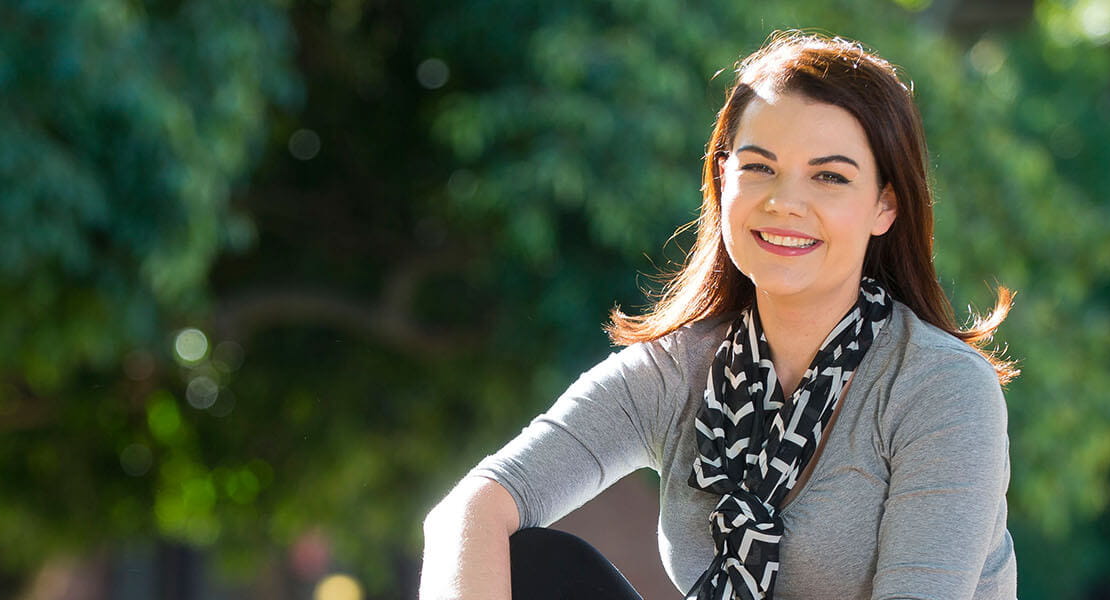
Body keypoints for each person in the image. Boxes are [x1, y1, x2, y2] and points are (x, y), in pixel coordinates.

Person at [421, 30, 1019, 600]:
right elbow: (474, 507)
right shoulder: (677, 369)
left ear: (885, 205)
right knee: (537, 566)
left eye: (830, 176)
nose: (785, 202)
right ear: (722, 178)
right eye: (759, 166)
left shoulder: (940, 386)